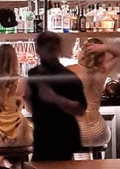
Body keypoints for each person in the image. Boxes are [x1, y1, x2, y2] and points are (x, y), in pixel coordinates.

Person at [25, 31, 87, 162]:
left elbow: (80, 109)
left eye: (54, 50)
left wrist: (55, 99)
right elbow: (31, 106)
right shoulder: (33, 74)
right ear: (39, 50)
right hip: (41, 135)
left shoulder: (68, 77)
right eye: (50, 50)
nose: (52, 54)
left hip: (62, 136)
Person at [69, 37, 120, 150]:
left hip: (76, 132)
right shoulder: (102, 71)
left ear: (82, 54)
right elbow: (119, 54)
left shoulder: (69, 70)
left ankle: (68, 162)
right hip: (100, 132)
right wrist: (104, 47)